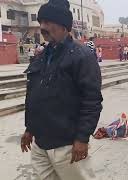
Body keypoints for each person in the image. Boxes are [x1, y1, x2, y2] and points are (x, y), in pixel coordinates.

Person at [20, 0, 103, 179]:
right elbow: (33, 95)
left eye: (48, 22)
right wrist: (29, 128)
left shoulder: (82, 57)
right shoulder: (41, 57)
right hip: (40, 144)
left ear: (64, 26)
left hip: (67, 145)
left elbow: (92, 101)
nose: (42, 26)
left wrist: (82, 138)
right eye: (41, 22)